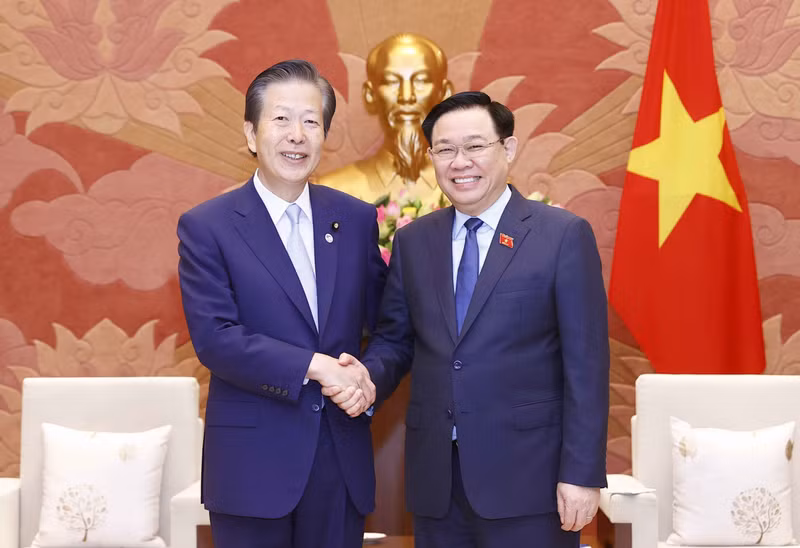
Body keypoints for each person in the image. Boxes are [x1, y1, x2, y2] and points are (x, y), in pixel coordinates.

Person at [327, 91, 610, 547]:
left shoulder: (561, 236)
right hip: (438, 481)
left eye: (475, 146)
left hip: (530, 481)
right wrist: (364, 377)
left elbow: (587, 366)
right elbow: (397, 341)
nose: (461, 162)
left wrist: (582, 474)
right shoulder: (415, 242)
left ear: (508, 150)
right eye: (445, 150)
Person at [177, 59, 387, 548]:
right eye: (281, 119)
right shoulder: (208, 226)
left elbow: (389, 324)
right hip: (252, 465)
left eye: (311, 121)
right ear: (251, 133)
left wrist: (367, 378)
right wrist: (317, 367)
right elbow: (216, 339)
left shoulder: (354, 219)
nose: (297, 134)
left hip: (340, 459)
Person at [317, 33, 453, 205]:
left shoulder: (471, 193)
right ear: (370, 95)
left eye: (421, 80)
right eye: (391, 82)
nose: (406, 96)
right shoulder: (335, 192)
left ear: (444, 94)